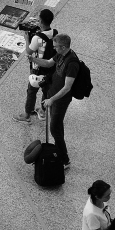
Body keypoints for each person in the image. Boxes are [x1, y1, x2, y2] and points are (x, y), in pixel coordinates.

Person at [41, 33, 80, 168]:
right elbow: (47, 63)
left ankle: (64, 160)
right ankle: (61, 153)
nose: (54, 49)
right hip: (53, 97)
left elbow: (67, 88)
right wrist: (33, 60)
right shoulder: (61, 55)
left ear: (63, 47)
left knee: (55, 130)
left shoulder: (72, 63)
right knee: (57, 127)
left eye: (56, 47)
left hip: (60, 100)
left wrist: (51, 99)